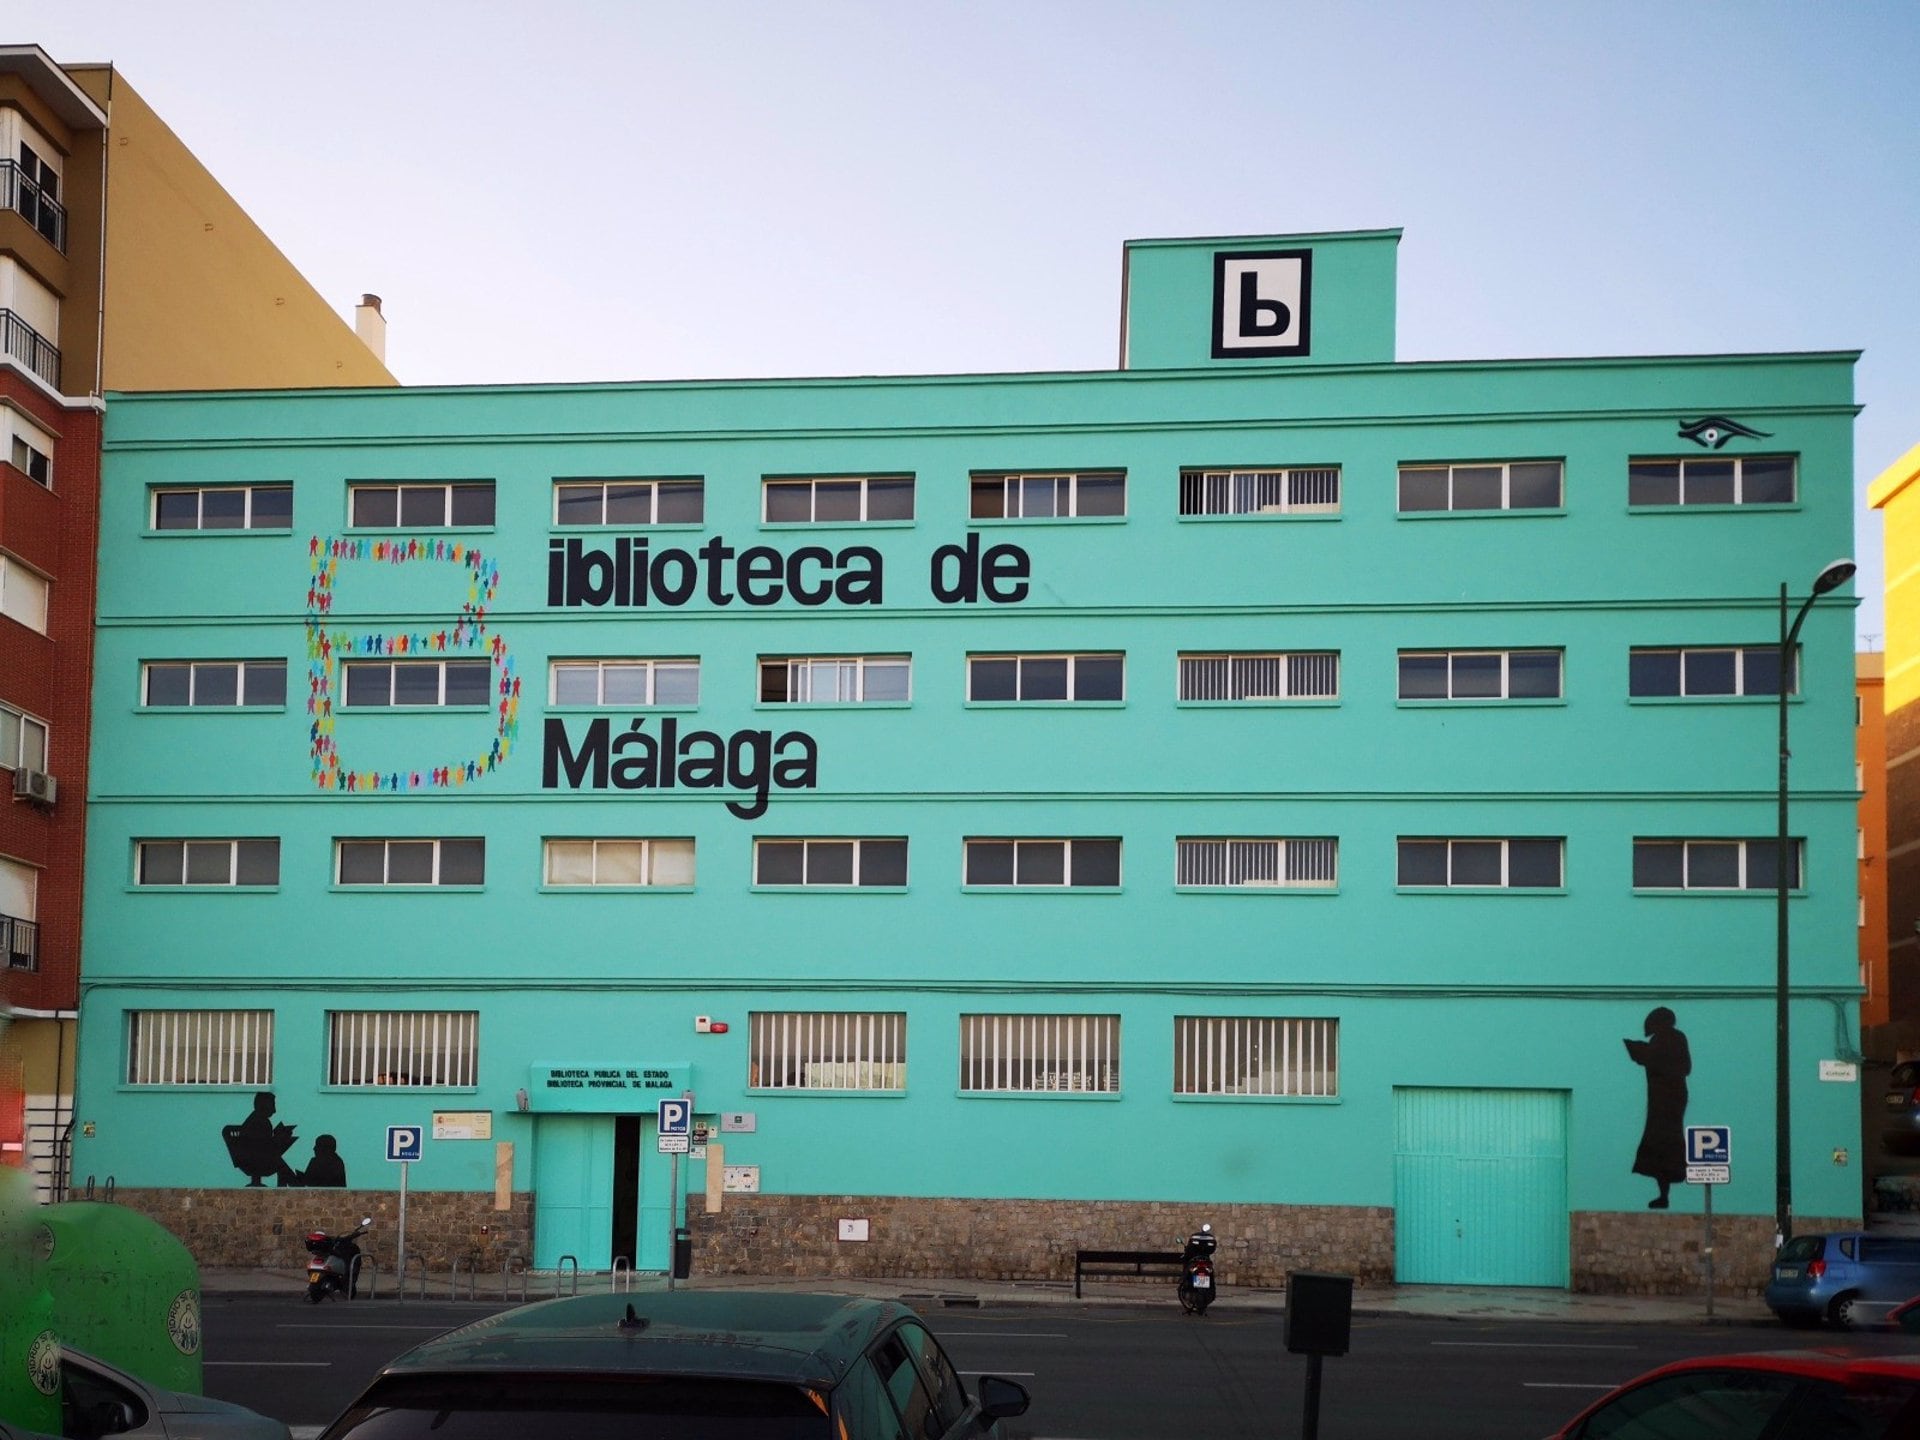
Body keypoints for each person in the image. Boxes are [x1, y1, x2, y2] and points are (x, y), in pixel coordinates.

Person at [1624, 1007, 1691, 1208]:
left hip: (1668, 1098)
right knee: (1660, 1141)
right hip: (1662, 1097)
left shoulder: (1672, 1038)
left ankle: (1665, 1192)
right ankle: (1664, 1194)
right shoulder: (1669, 1038)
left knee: (1664, 1141)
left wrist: (1648, 1056)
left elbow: (1684, 1067)